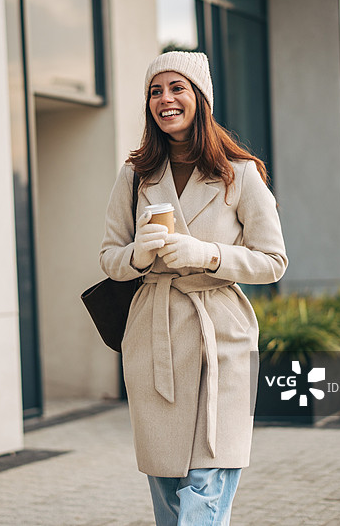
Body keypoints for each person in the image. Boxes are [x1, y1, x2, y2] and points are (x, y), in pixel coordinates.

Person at [99, 51, 287, 525]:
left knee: (206, 487)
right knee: (167, 490)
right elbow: (109, 257)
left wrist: (210, 255)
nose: (165, 100)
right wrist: (139, 255)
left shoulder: (238, 172)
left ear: (199, 97)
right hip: (154, 336)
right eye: (155, 92)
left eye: (176, 88)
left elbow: (274, 262)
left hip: (221, 337)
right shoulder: (134, 175)